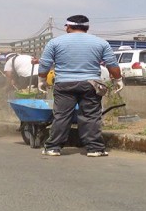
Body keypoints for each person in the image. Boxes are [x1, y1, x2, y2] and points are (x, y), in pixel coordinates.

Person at [37, 15, 123, 157]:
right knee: (91, 116)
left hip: (64, 84)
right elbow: (112, 64)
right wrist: (118, 79)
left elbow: (45, 63)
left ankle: (53, 147)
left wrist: (41, 80)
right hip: (90, 84)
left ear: (68, 27)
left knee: (62, 116)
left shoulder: (55, 42)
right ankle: (95, 148)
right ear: (87, 27)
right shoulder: (100, 43)